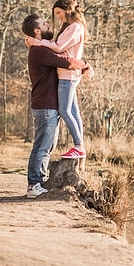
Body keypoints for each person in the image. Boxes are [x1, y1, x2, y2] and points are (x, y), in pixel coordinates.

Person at [22, 13, 90, 199]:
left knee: (48, 147)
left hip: (49, 105)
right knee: (42, 147)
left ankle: (39, 181)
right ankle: (33, 185)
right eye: (44, 24)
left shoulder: (41, 48)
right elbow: (66, 62)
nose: (48, 25)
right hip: (45, 106)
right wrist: (85, 64)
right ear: (37, 31)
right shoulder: (39, 51)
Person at [24, 0, 89, 160]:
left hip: (68, 76)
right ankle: (80, 146)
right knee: (73, 111)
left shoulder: (75, 27)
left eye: (59, 12)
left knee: (65, 111)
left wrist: (37, 42)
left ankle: (79, 146)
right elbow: (59, 48)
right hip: (67, 75)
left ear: (67, 10)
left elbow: (58, 48)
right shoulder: (70, 27)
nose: (58, 17)